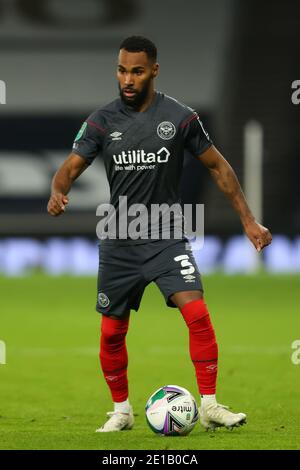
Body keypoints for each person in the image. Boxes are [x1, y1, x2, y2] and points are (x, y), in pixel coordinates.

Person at [47, 36, 272, 433]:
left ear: (154, 70)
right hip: (119, 238)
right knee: (112, 331)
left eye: (136, 70)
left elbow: (218, 168)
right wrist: (58, 190)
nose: (127, 79)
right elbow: (70, 167)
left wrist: (249, 221)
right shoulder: (102, 121)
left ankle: (210, 406)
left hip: (167, 234)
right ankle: (121, 410)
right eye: (121, 70)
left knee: (197, 313)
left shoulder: (180, 118)